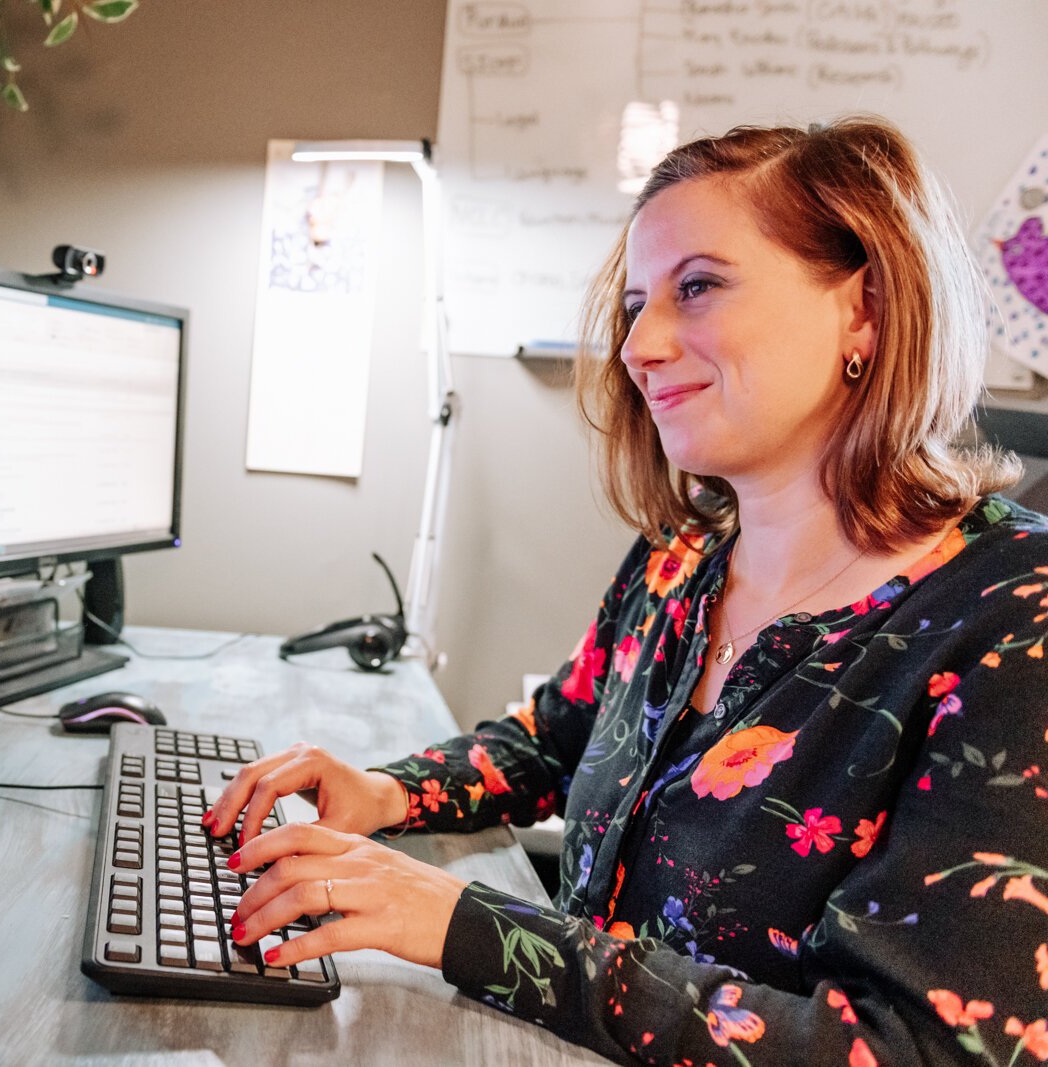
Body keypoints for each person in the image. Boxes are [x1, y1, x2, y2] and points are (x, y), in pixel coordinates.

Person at [205, 116, 1048, 1066]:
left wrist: (470, 928)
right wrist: (387, 791)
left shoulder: (1018, 615)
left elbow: (911, 1049)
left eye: (699, 286)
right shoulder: (682, 556)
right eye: (638, 303)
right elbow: (556, 738)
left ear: (865, 308)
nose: (639, 343)